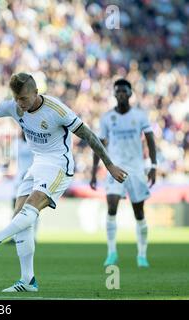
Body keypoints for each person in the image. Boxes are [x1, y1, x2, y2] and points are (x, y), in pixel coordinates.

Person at [0, 73, 128, 292]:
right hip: (37, 164)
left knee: (29, 210)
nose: (20, 104)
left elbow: (88, 135)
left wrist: (110, 165)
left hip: (59, 165)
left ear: (36, 93)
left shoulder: (56, 110)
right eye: (17, 99)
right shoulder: (15, 106)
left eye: (24, 98)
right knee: (21, 219)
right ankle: (27, 280)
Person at [90, 79, 157, 268]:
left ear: (130, 93)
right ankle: (112, 252)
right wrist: (94, 172)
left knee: (139, 212)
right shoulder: (107, 117)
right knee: (111, 206)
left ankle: (142, 255)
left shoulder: (140, 115)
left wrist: (153, 165)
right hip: (115, 168)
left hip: (136, 168)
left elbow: (150, 140)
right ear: (114, 94)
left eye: (123, 91)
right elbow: (99, 145)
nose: (120, 94)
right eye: (117, 91)